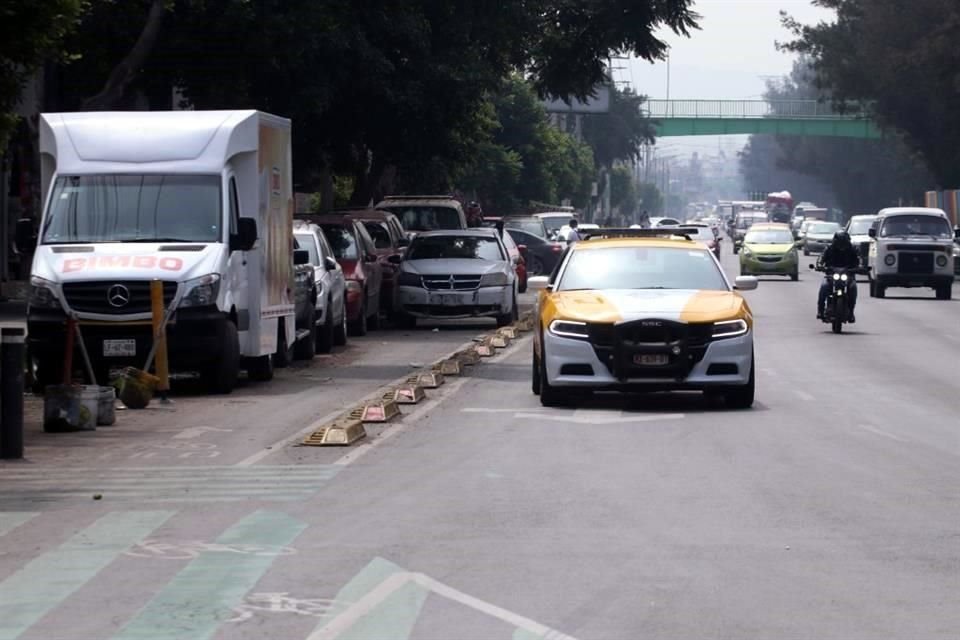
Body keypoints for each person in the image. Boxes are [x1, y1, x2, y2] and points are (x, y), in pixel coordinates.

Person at [817, 230, 861, 322]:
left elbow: (859, 260)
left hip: (848, 275)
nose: (841, 246)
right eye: (839, 243)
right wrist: (820, 265)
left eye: (843, 243)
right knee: (824, 287)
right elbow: (821, 258)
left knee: (853, 288)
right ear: (835, 242)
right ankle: (820, 310)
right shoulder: (829, 248)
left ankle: (851, 312)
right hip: (831, 275)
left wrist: (860, 267)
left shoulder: (853, 249)